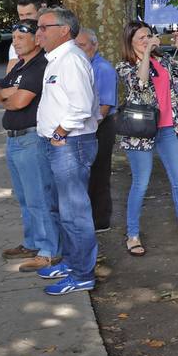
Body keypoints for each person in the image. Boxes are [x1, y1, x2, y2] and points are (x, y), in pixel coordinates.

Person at [118, 21, 178, 255]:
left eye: (149, 36)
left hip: (168, 128)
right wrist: (145, 54)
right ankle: (132, 234)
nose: (147, 40)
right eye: (141, 38)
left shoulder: (163, 60)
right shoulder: (124, 66)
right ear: (131, 42)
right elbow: (141, 82)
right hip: (140, 132)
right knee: (140, 183)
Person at [33, 7, 100, 295]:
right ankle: (72, 264)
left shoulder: (71, 60)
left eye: (44, 26)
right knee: (63, 209)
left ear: (63, 29)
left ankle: (83, 273)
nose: (38, 32)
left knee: (75, 213)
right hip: (59, 144)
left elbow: (82, 106)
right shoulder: (57, 59)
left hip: (71, 144)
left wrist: (59, 132)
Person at [0, 19, 63, 270]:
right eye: (13, 38)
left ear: (36, 38)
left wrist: (8, 94)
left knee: (39, 198)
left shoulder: (40, 65)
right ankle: (32, 243)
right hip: (14, 139)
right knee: (24, 198)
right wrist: (8, 92)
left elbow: (19, 101)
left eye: (21, 38)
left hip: (31, 140)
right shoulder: (21, 65)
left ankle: (49, 251)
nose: (15, 43)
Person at [75, 28, 118, 232]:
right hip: (87, 127)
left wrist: (88, 129)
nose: (80, 50)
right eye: (77, 46)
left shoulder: (102, 68)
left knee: (99, 173)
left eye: (83, 45)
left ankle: (101, 220)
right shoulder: (80, 66)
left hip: (100, 126)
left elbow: (104, 106)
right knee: (86, 174)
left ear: (95, 45)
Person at [7, 0, 42, 73]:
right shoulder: (17, 42)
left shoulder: (53, 34)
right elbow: (10, 75)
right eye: (21, 15)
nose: (25, 19)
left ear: (40, 13)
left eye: (29, 14)